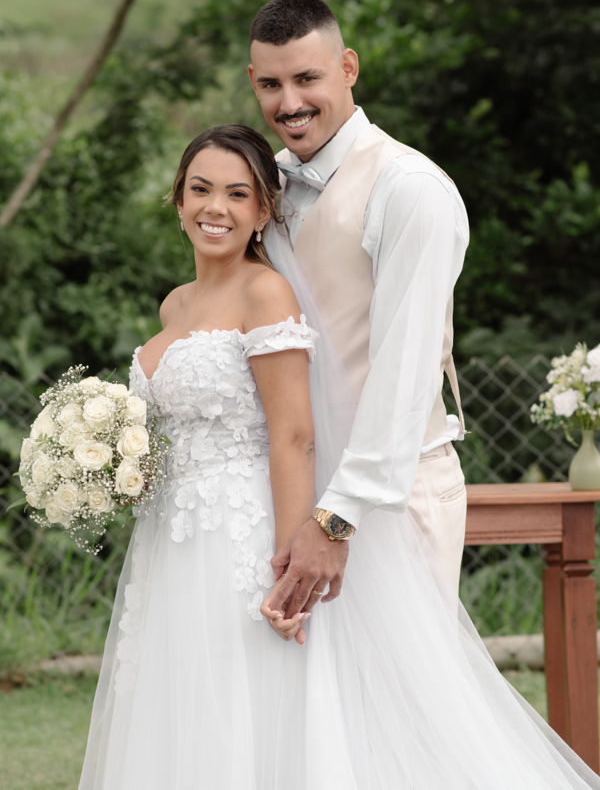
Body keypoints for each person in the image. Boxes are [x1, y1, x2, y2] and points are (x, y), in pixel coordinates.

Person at [79, 124, 600, 789]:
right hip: (175, 540)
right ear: (177, 199)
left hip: (244, 533)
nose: (217, 207)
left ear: (263, 211)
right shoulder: (174, 303)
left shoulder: (266, 292)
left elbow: (295, 435)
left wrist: (293, 555)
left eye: (238, 194)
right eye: (201, 189)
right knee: (190, 700)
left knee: (258, 699)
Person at [247, 0, 469, 620]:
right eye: (271, 84)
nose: (288, 103)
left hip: (387, 496)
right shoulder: (264, 188)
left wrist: (338, 517)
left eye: (307, 78)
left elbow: (406, 367)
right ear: (252, 82)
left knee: (401, 710)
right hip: (293, 488)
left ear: (348, 67)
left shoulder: (410, 188)